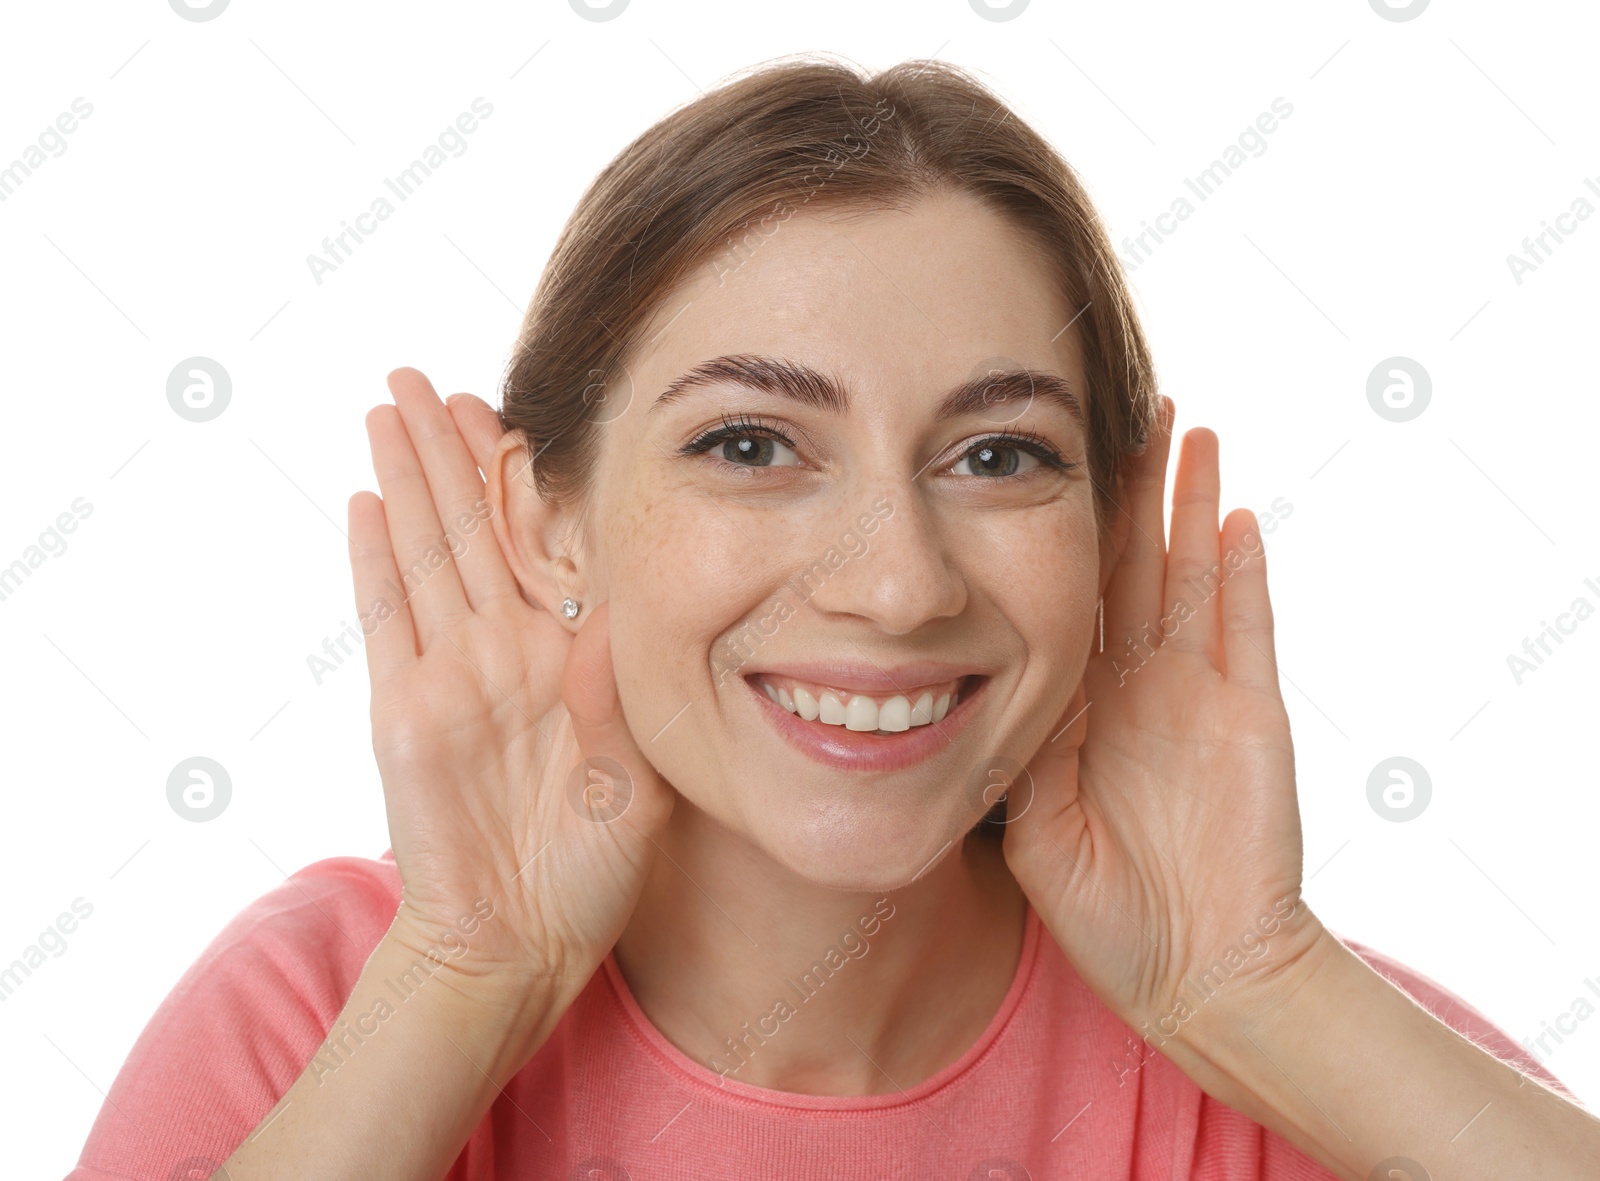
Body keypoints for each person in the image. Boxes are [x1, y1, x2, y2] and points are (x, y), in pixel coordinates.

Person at [68, 55, 1595, 1181]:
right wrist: (464, 979)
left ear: (1110, 537)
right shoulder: (321, 1010)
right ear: (548, 519)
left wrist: (1254, 990)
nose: (897, 583)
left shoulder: (1289, 1047)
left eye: (999, 455)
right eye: (749, 444)